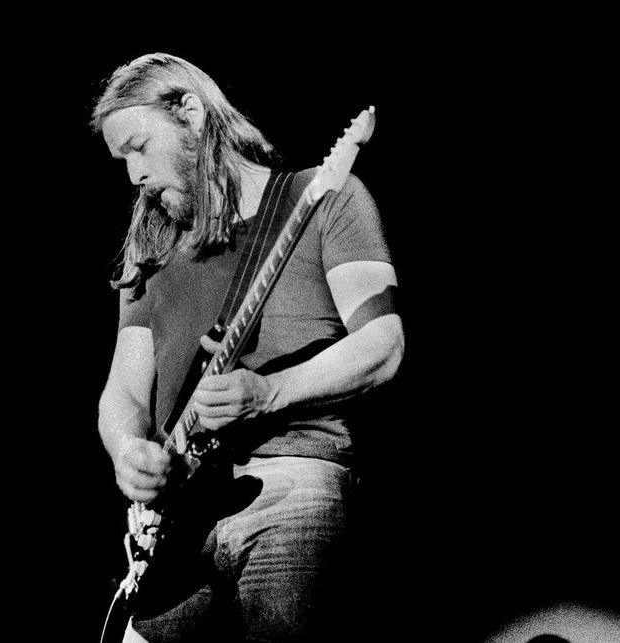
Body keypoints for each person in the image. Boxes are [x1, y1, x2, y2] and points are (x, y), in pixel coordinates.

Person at [92, 53, 404, 642]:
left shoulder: (324, 197)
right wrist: (128, 450)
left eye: (139, 146)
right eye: (121, 160)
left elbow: (383, 343)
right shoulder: (150, 249)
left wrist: (268, 392)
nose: (134, 175)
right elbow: (123, 390)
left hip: (292, 484)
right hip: (177, 524)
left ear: (191, 112)